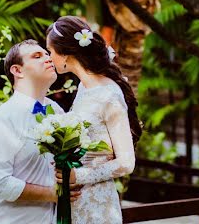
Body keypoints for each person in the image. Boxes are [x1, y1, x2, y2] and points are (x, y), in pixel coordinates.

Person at [46, 16, 141, 224]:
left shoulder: (108, 94)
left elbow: (126, 163)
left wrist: (77, 176)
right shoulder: (83, 87)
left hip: (98, 206)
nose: (49, 58)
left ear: (65, 54)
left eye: (50, 52)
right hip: (73, 201)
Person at [0, 39, 67, 223]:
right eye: (37, 56)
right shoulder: (1, 120)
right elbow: (0, 183)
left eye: (47, 54)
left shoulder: (57, 111)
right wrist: (55, 194)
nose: (48, 58)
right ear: (17, 71)